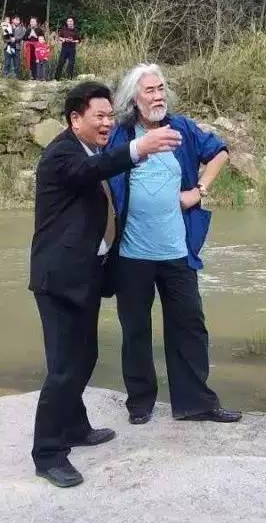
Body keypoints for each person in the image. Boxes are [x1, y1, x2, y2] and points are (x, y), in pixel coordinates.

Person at [29, 81, 182, 488]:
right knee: (63, 368)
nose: (106, 123)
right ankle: (48, 453)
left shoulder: (90, 150)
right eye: (99, 116)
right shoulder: (63, 154)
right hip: (59, 281)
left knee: (85, 357)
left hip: (85, 278)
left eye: (110, 116)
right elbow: (93, 172)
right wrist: (139, 148)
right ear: (74, 118)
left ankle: (75, 426)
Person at [107, 63, 242, 426]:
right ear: (133, 98)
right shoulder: (121, 135)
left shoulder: (180, 128)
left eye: (161, 88)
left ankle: (195, 403)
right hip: (131, 254)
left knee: (190, 326)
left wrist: (199, 191)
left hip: (177, 251)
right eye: (150, 90)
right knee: (135, 329)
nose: (158, 96)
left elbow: (220, 153)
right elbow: (99, 169)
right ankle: (140, 403)